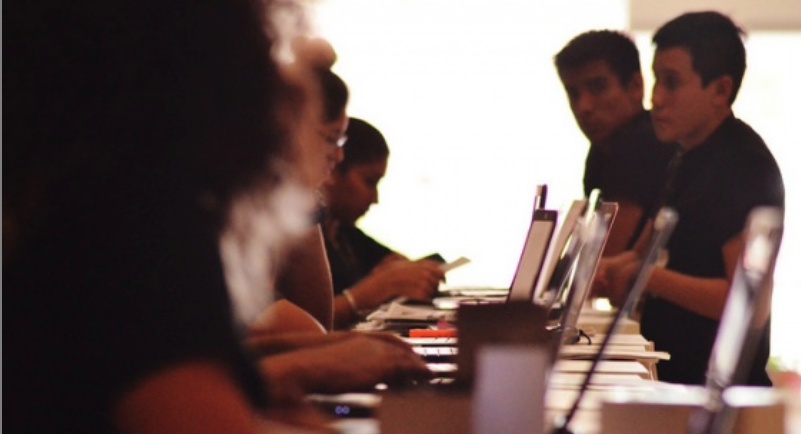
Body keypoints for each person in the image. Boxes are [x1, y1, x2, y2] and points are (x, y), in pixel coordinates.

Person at [3, 1, 427, 433]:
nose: (311, 64)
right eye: (274, 39)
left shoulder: (100, 196)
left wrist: (309, 363)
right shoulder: (139, 221)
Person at [596, 11, 785, 385]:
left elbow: (746, 301)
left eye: (671, 82)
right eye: (656, 80)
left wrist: (646, 277)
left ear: (720, 90)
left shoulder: (743, 165)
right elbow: (646, 252)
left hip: (716, 394)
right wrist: (600, 270)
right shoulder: (685, 156)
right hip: (671, 380)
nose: (656, 98)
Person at [554, 30, 679, 256]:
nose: (584, 106)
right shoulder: (601, 151)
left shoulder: (640, 142)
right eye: (573, 93)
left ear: (635, 86)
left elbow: (602, 259)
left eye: (597, 87)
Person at [321, 117, 446, 329]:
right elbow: (304, 322)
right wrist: (375, 289)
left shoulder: (343, 234)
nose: (375, 199)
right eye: (370, 181)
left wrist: (404, 272)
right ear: (332, 169)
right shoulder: (297, 237)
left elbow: (405, 266)